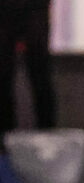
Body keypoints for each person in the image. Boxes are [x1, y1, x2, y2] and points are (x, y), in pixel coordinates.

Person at [0, 0, 56, 135]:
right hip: (6, 9)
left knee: (40, 74)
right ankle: (5, 143)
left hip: (33, 6)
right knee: (3, 77)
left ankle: (47, 139)